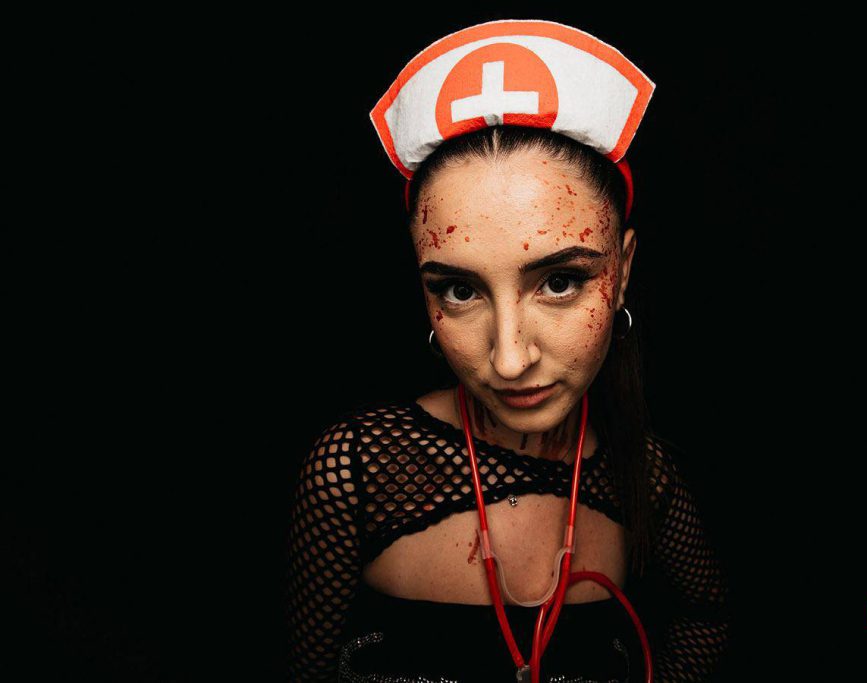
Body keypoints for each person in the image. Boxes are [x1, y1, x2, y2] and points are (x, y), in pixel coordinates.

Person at [285, 19, 729, 682]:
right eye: (460, 290)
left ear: (623, 273)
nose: (509, 360)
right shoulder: (356, 470)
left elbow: (707, 615)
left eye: (560, 281)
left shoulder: (644, 474)